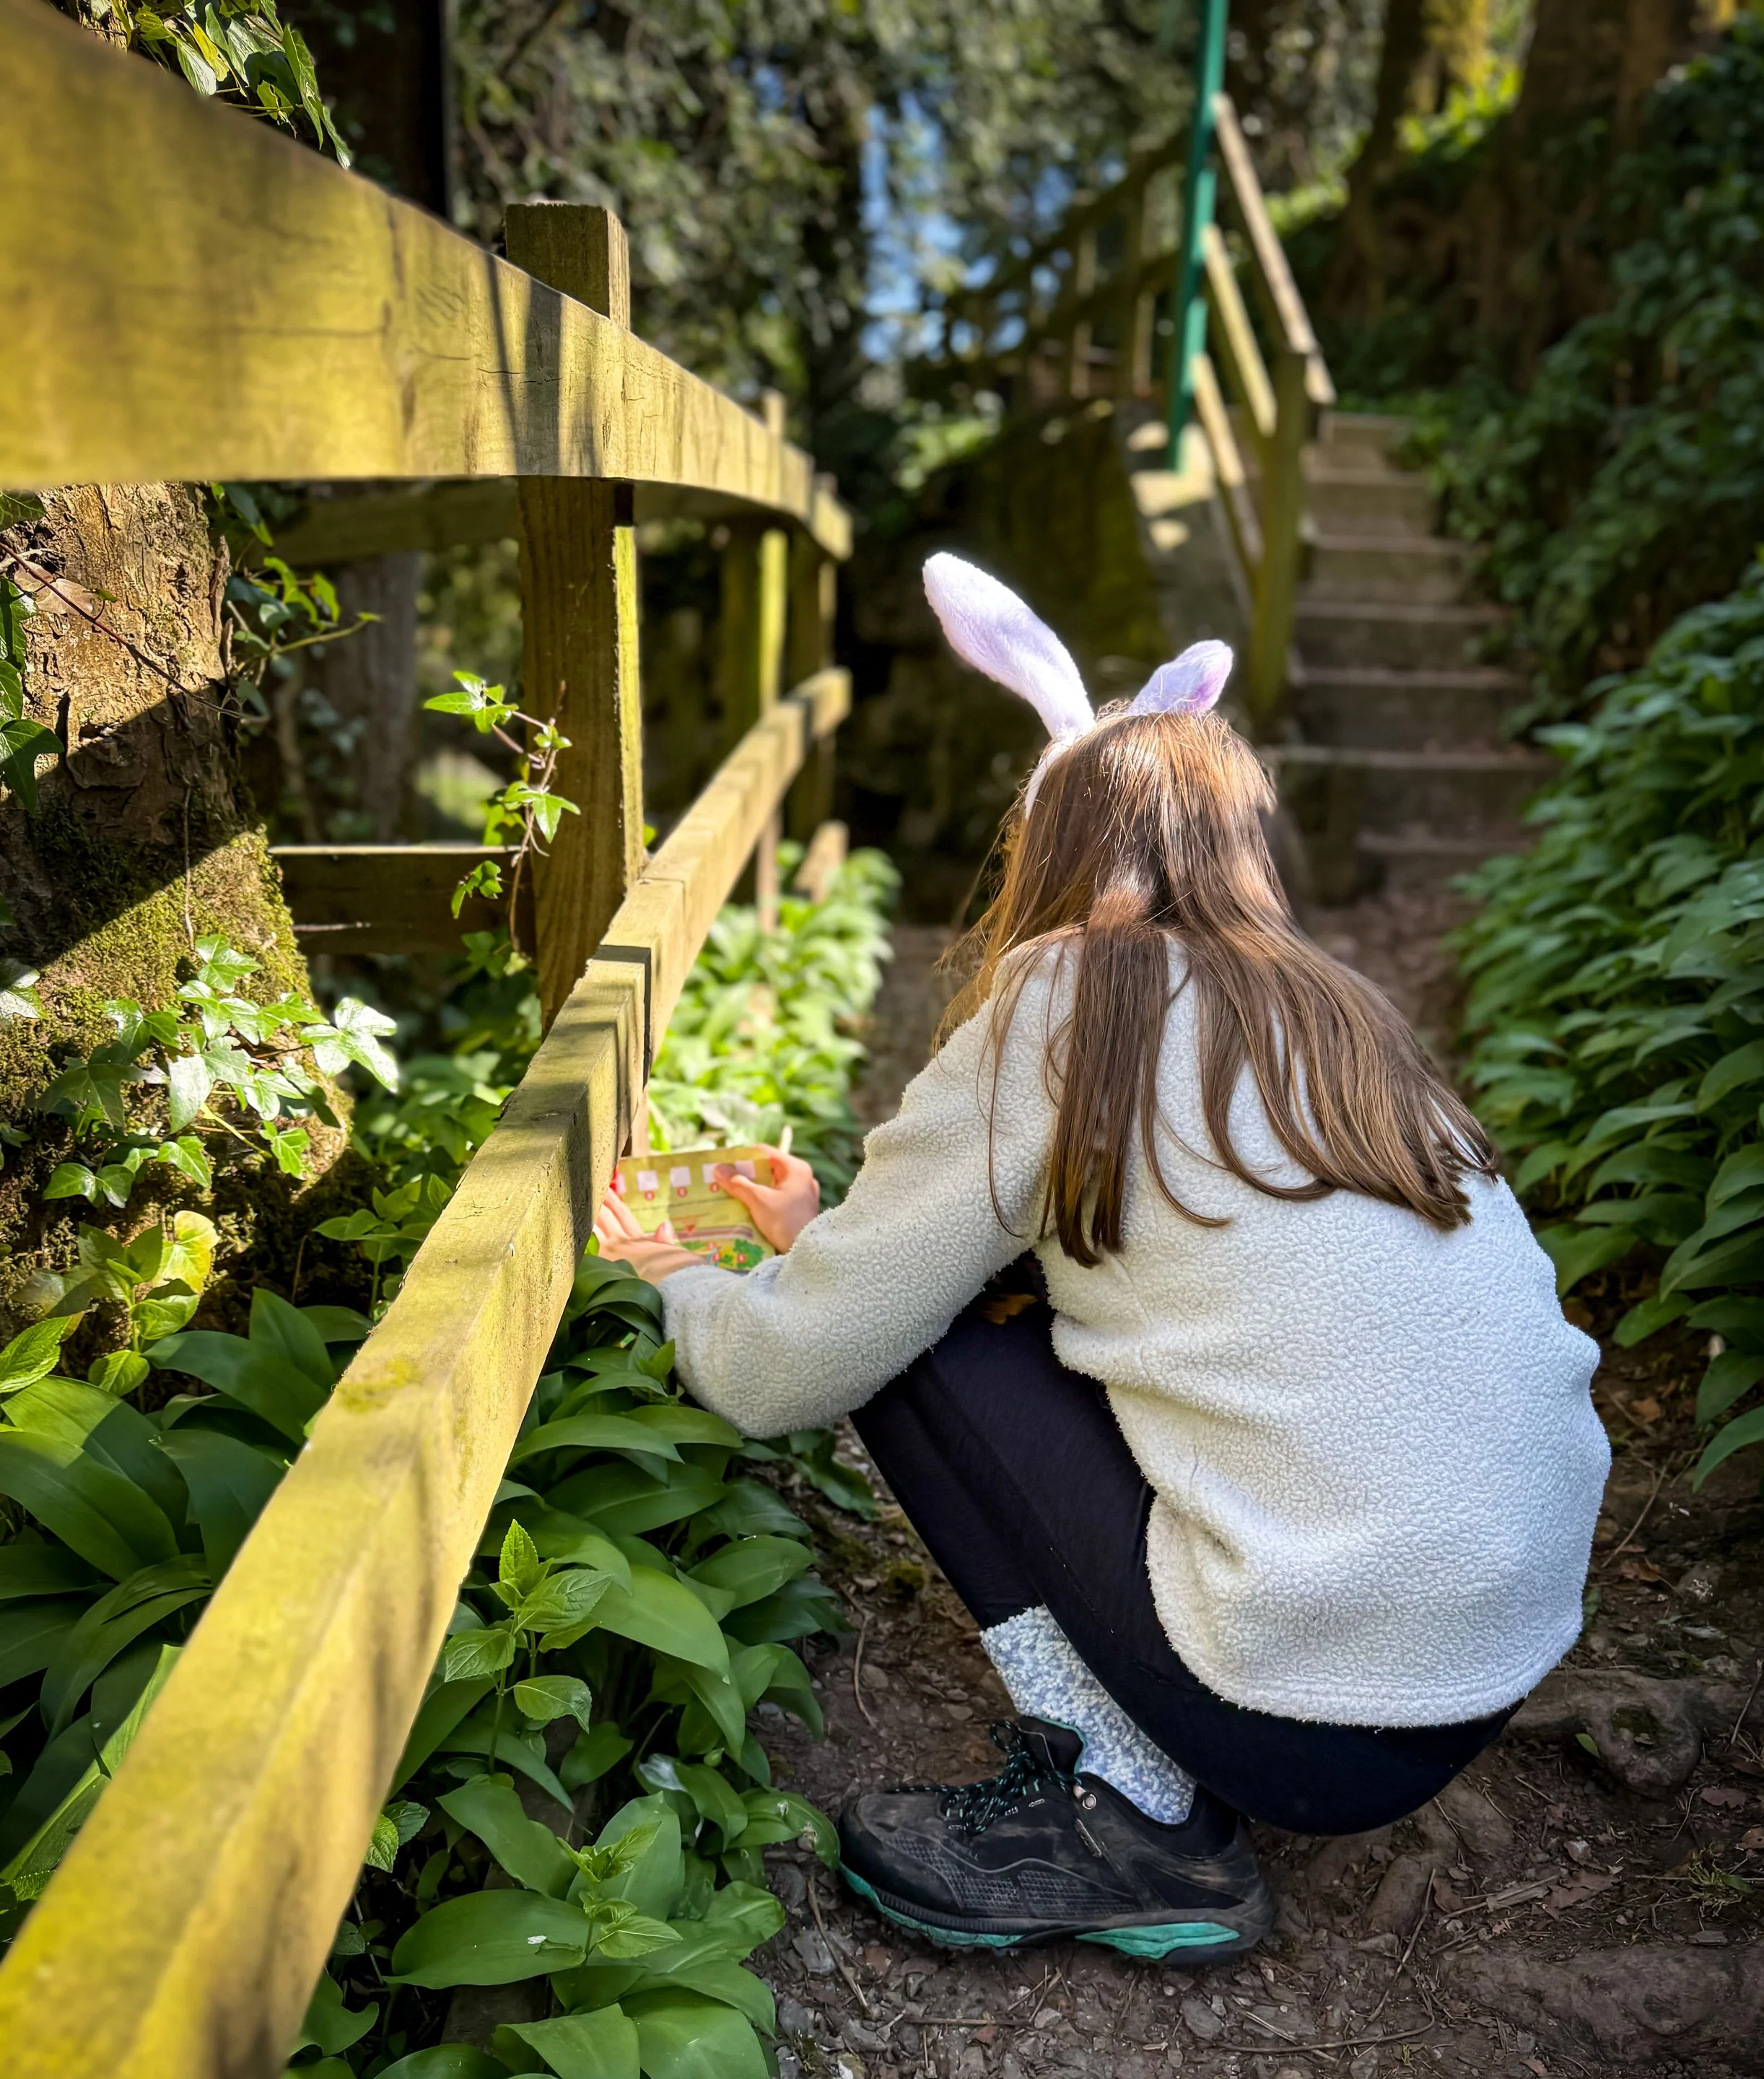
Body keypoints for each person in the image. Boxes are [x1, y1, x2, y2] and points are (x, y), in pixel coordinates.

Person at [595, 553, 1610, 1966]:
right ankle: (1159, 1765)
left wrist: (680, 1277)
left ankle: (1131, 1821)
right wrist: (824, 1234)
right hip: (1488, 1656)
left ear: (1051, 845)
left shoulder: (1070, 998)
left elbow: (785, 1371)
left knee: (912, 1339)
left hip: (1314, 1719)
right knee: (953, 1301)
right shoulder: (1342, 1018)